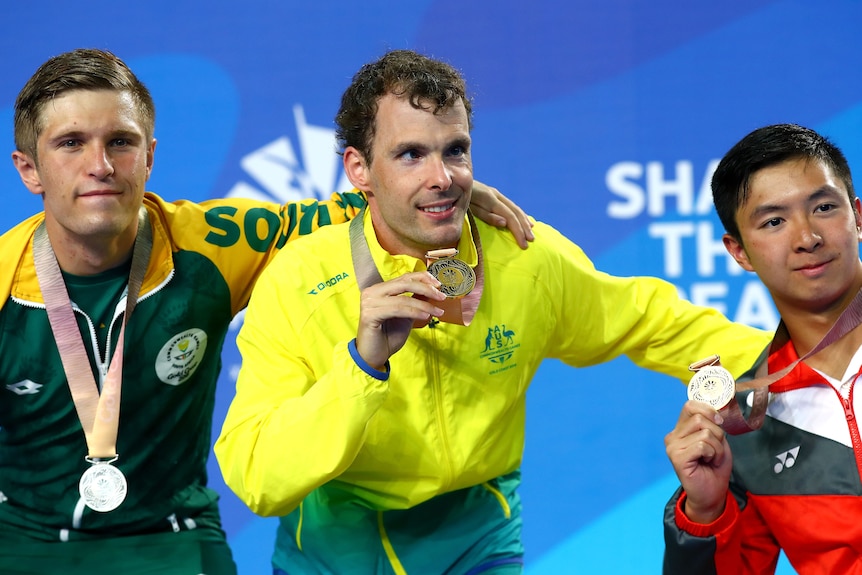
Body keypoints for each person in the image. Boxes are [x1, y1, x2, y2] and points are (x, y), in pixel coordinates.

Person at [213, 49, 772, 575]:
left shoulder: (525, 257)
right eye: (411, 154)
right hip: (337, 545)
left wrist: (799, 363)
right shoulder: (300, 281)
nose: (443, 177)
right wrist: (361, 367)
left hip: (478, 530)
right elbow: (259, 477)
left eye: (454, 150)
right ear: (359, 169)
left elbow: (650, 321)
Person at [0, 48, 534, 575]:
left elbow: (359, 202)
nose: (100, 165)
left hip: (175, 536)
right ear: (29, 169)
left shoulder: (215, 243)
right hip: (20, 539)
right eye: (71, 144)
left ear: (149, 156)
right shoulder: (6, 278)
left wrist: (443, 191)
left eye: (121, 142)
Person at [662, 123, 862, 574]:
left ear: (858, 216)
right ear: (739, 252)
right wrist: (706, 511)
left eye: (824, 207)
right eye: (774, 221)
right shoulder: (750, 426)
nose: (807, 237)